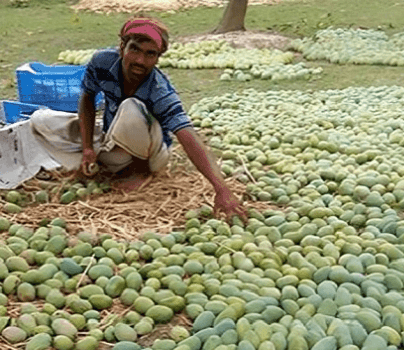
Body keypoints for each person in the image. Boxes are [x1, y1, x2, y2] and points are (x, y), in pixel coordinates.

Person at [30, 17, 247, 223]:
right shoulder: (102, 62)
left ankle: (138, 171)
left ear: (157, 58)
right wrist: (87, 148)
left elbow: (186, 133)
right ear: (122, 46)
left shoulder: (159, 89)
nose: (140, 61)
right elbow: (87, 97)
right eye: (134, 49)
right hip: (114, 140)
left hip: (151, 155)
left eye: (150, 54)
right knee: (41, 121)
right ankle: (101, 165)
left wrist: (222, 189)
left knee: (130, 107)